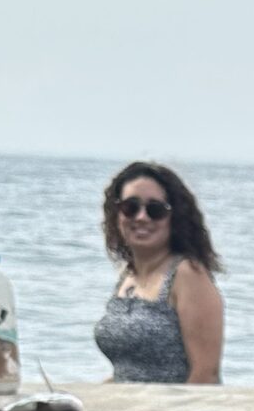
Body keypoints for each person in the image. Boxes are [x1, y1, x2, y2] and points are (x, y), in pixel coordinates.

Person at [95, 161, 223, 383]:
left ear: (175, 218)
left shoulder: (187, 274)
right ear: (117, 213)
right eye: (130, 207)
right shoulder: (128, 275)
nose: (141, 217)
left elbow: (206, 374)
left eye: (155, 210)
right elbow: (129, 370)